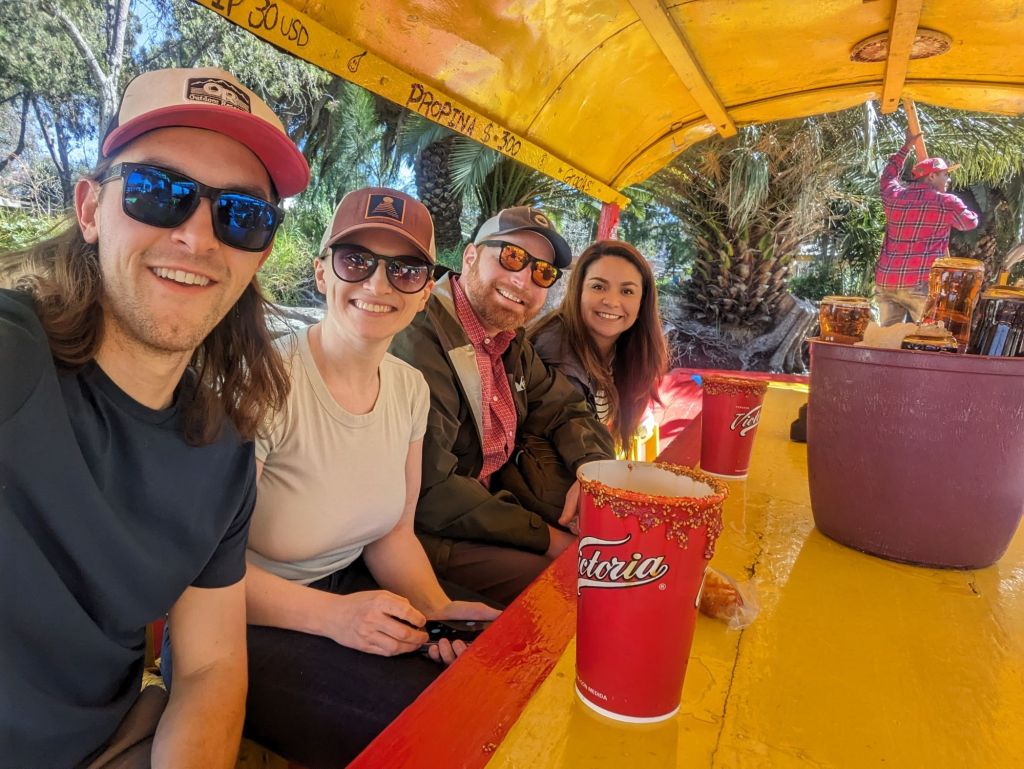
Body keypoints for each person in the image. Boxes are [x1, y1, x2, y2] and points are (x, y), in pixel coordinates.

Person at [0, 67, 309, 768]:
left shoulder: (224, 453)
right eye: (157, 193)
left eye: (240, 214)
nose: (198, 237)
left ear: (258, 253)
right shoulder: (14, 356)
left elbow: (208, 668)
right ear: (90, 208)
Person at [234, 188, 500, 768]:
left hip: (346, 593)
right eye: (357, 260)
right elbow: (200, 571)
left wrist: (437, 612)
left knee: (497, 672)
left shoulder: (409, 387)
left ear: (427, 291)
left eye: (406, 269)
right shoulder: (263, 383)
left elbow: (391, 537)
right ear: (322, 272)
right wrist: (336, 619)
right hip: (236, 627)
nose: (378, 285)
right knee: (445, 734)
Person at [389, 207, 616, 605]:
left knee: (614, 554)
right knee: (571, 590)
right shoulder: (421, 336)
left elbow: (566, 408)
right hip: (424, 535)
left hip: (494, 511)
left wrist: (592, 469)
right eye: (512, 257)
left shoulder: (510, 343)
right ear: (471, 256)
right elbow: (430, 488)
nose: (523, 279)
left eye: (543, 273)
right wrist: (546, 538)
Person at [529, 239, 668, 453]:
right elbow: (571, 446)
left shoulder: (625, 350)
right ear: (578, 291)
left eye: (627, 291)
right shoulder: (555, 352)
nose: (612, 301)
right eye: (598, 286)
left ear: (642, 303)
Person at [875, 130, 979, 326]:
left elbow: (887, 177)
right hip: (920, 283)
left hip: (887, 281)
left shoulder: (894, 197)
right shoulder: (946, 202)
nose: (948, 180)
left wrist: (905, 148)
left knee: (887, 342)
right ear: (931, 176)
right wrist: (961, 209)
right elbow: (969, 223)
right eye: (945, 175)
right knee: (928, 340)